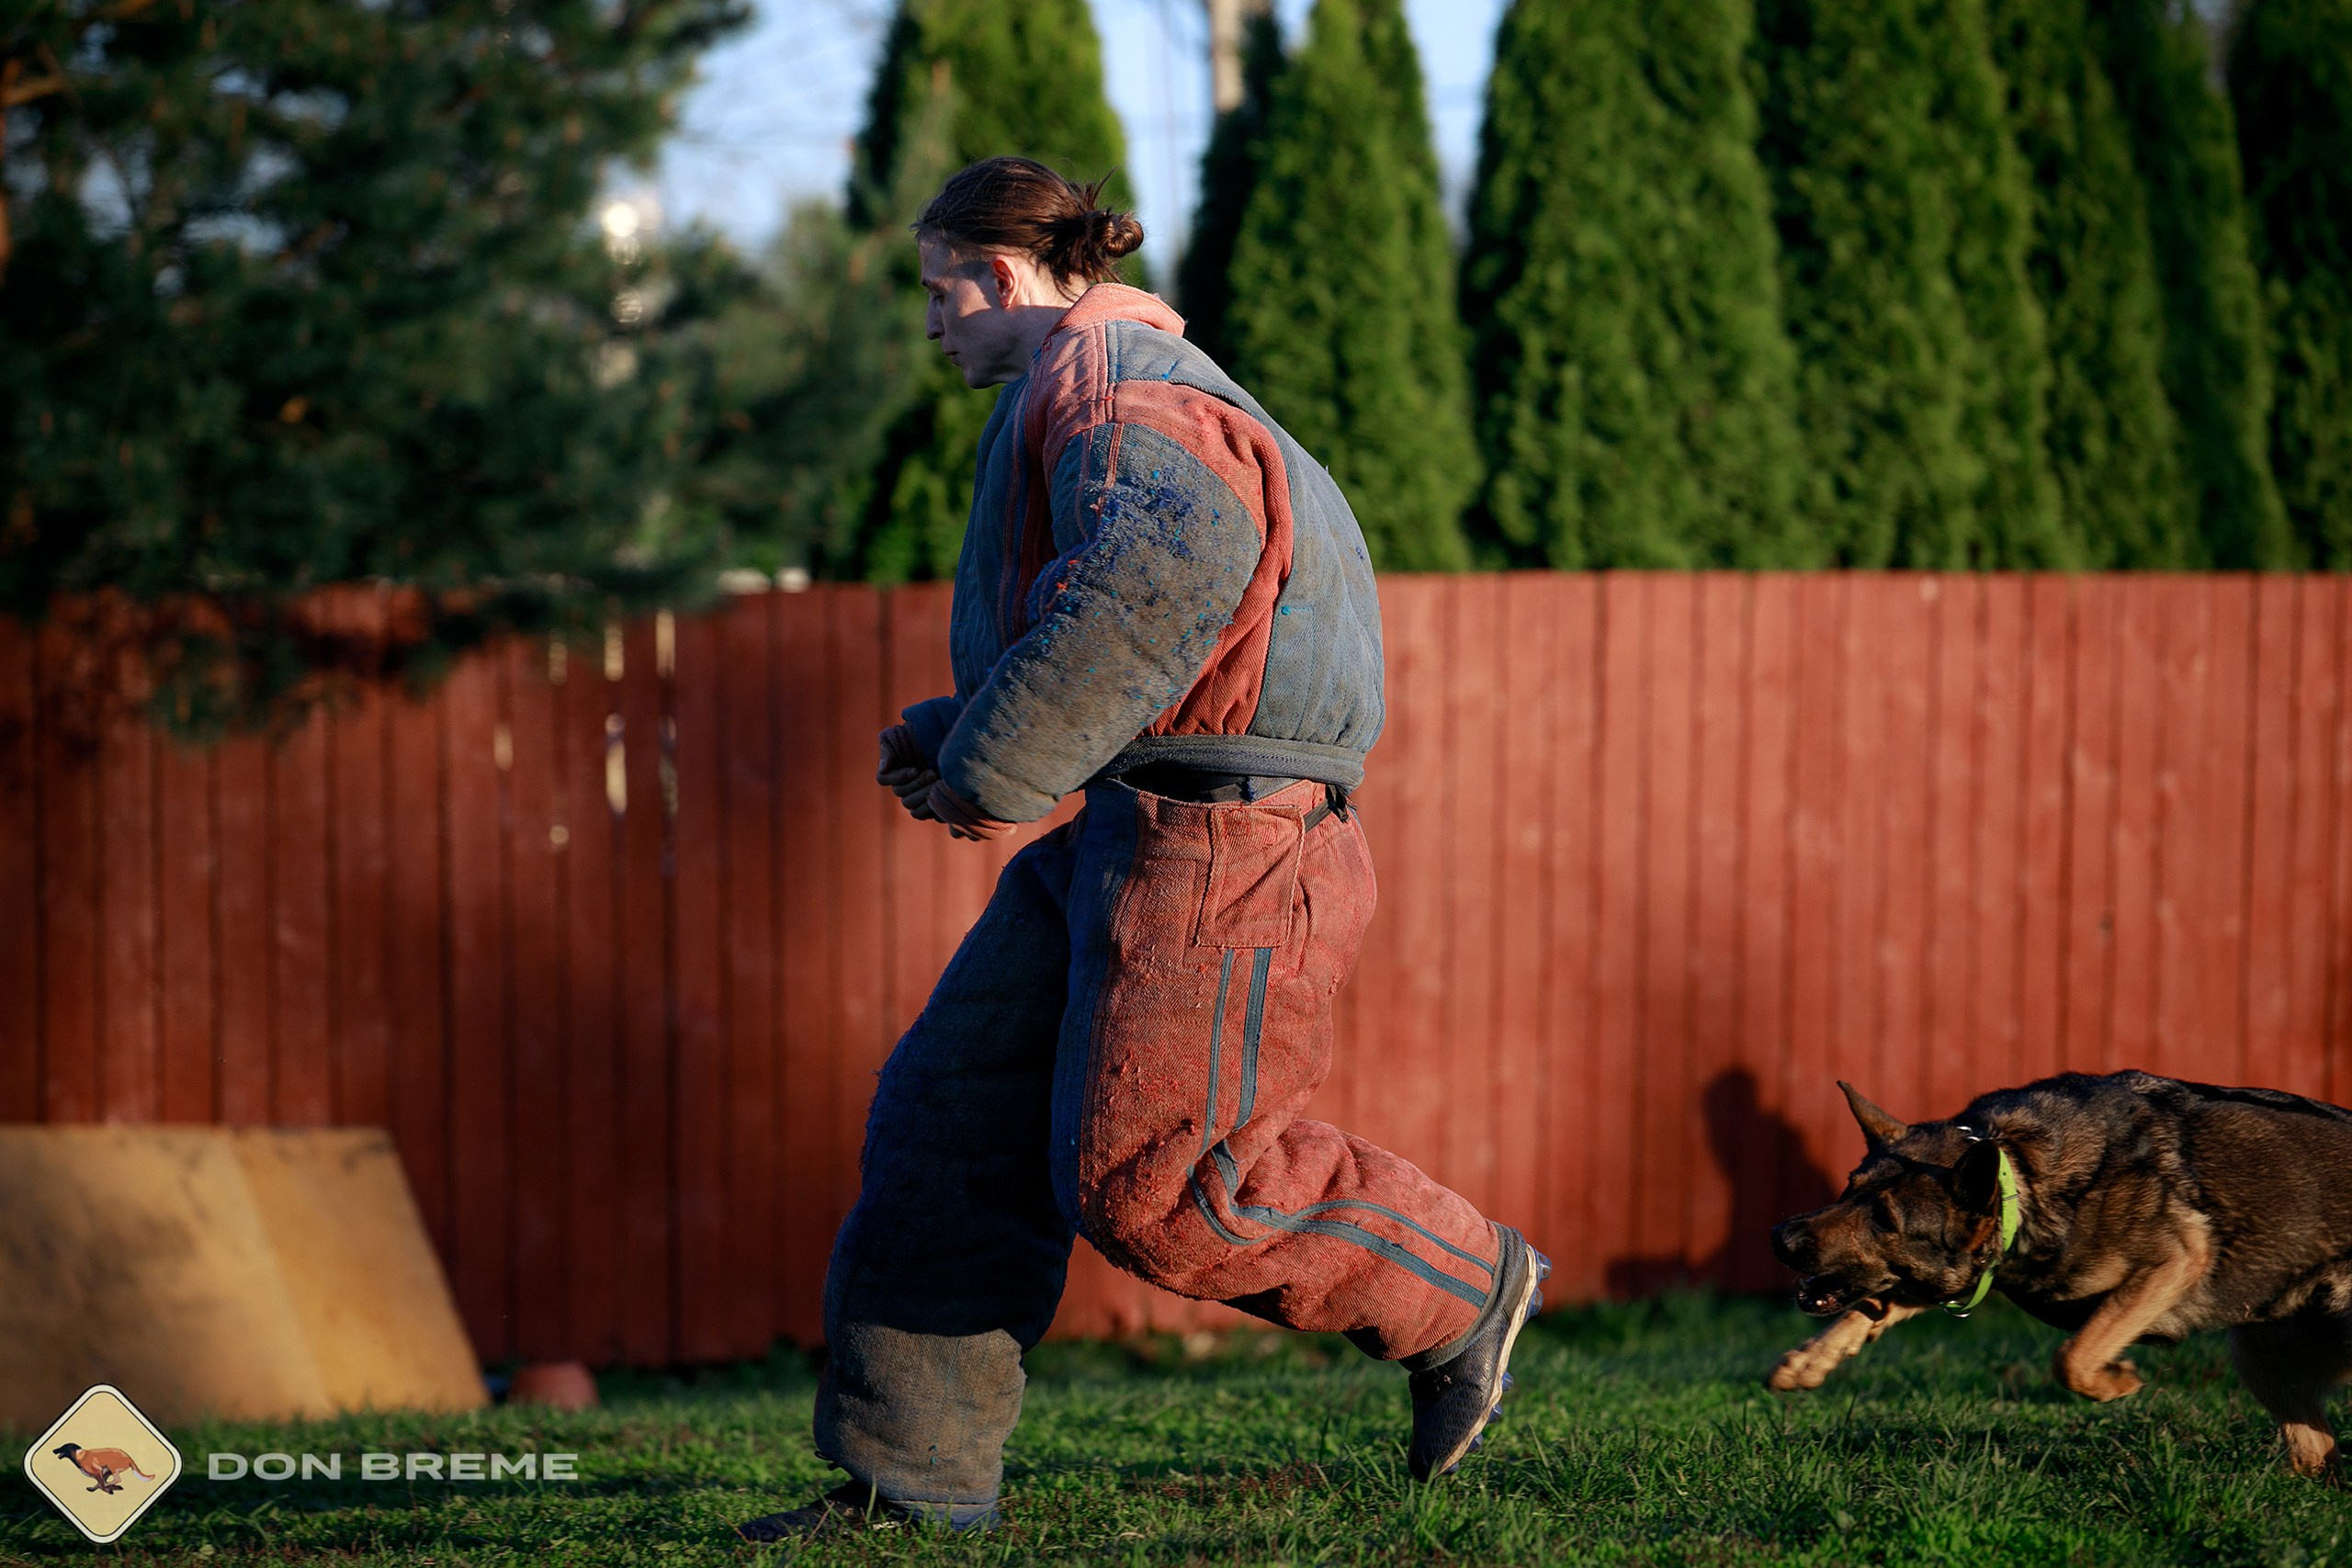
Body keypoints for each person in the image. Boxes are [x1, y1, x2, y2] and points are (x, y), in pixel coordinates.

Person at [735, 156, 1545, 1543]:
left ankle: (1462, 1283)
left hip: (1227, 844)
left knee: (1163, 1191)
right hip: (1141, 814)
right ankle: (910, 1485)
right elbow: (1155, 633)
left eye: (941, 294)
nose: (934, 324)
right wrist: (965, 728)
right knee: (951, 1120)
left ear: (999, 279)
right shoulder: (1096, 388)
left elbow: (1168, 570)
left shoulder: (1122, 390)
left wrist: (994, 764)